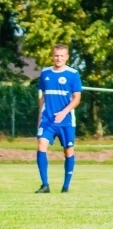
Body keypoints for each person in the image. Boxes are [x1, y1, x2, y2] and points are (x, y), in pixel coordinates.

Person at [35, 44, 82, 193]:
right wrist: (39, 118)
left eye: (62, 56)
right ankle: (45, 185)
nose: (59, 58)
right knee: (41, 145)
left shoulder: (73, 74)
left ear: (67, 57)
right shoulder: (45, 73)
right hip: (47, 119)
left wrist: (63, 112)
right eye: (56, 55)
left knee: (68, 151)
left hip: (66, 121)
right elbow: (42, 97)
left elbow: (77, 98)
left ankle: (66, 186)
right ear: (52, 56)